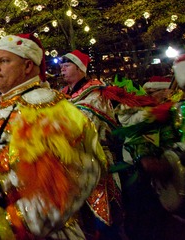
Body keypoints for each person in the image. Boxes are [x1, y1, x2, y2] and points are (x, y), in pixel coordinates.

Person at [0, 34, 105, 239]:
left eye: (4, 61)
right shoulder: (12, 105)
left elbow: (59, 193)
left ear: (28, 66)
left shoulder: (44, 107)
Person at [59, 50, 124, 239]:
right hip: (70, 166)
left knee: (103, 221)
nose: (62, 68)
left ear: (81, 69)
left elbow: (88, 128)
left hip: (96, 162)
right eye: (61, 65)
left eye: (67, 65)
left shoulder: (96, 94)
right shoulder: (62, 96)